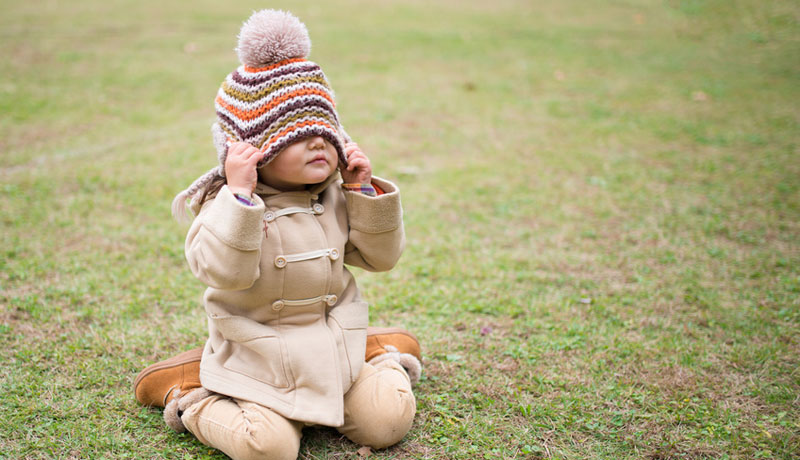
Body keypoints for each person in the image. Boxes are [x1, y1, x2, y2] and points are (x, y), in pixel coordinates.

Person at [133, 10, 421, 459]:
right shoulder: (226, 205)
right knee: (267, 449)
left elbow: (381, 258)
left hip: (332, 348)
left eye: (326, 133)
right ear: (251, 151)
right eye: (296, 134)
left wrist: (363, 191)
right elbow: (223, 272)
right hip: (258, 358)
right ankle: (190, 389)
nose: (318, 144)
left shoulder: (336, 196)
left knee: (387, 421)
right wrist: (241, 199)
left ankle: (372, 351)